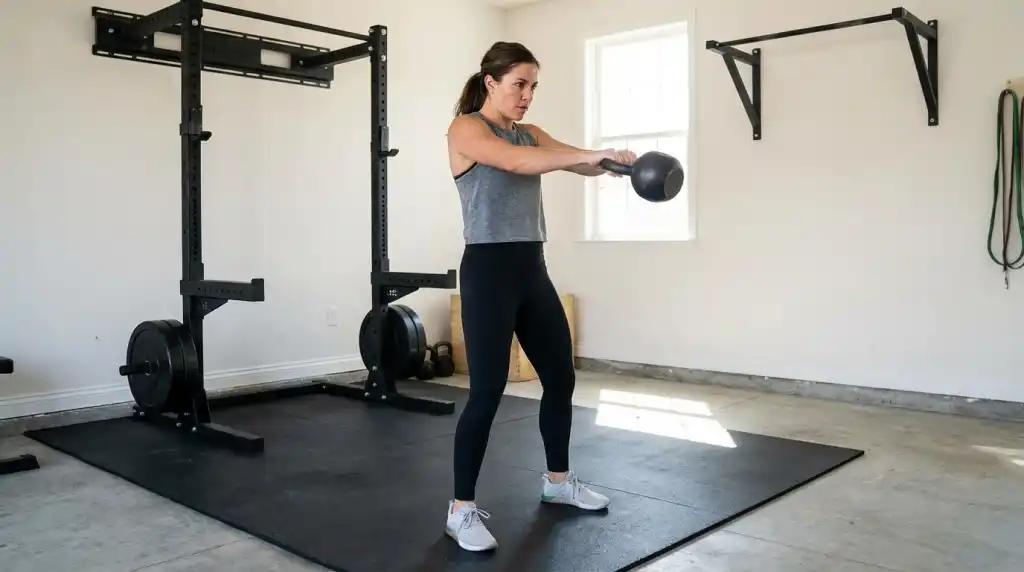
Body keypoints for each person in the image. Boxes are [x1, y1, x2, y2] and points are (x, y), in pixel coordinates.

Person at [443, 41, 637, 552]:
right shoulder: (467, 129)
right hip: (488, 272)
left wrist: (615, 163)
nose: (527, 96)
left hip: (532, 270)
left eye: (533, 87)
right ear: (491, 82)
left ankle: (557, 481)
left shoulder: (529, 132)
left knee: (561, 376)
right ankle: (460, 511)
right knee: (486, 392)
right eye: (519, 85)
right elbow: (516, 163)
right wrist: (585, 155)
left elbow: (573, 162)